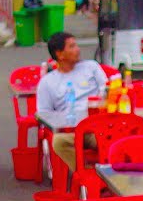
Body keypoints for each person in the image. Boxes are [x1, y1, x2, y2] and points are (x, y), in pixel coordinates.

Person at [36, 31, 107, 173]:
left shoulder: (91, 67)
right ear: (60, 54)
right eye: (72, 46)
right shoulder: (47, 82)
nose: (78, 49)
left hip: (99, 127)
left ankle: (117, 175)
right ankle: (88, 174)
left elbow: (106, 90)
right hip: (73, 131)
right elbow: (43, 114)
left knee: (125, 137)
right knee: (59, 142)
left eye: (76, 45)